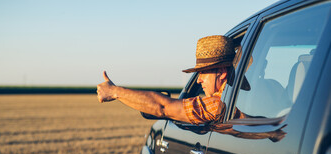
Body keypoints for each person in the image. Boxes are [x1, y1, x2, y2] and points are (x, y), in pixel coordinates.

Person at [97, 35, 246, 124]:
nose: (199, 80)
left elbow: (162, 107)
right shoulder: (245, 99)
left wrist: (114, 91)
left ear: (221, 72)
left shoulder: (217, 105)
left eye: (203, 73)